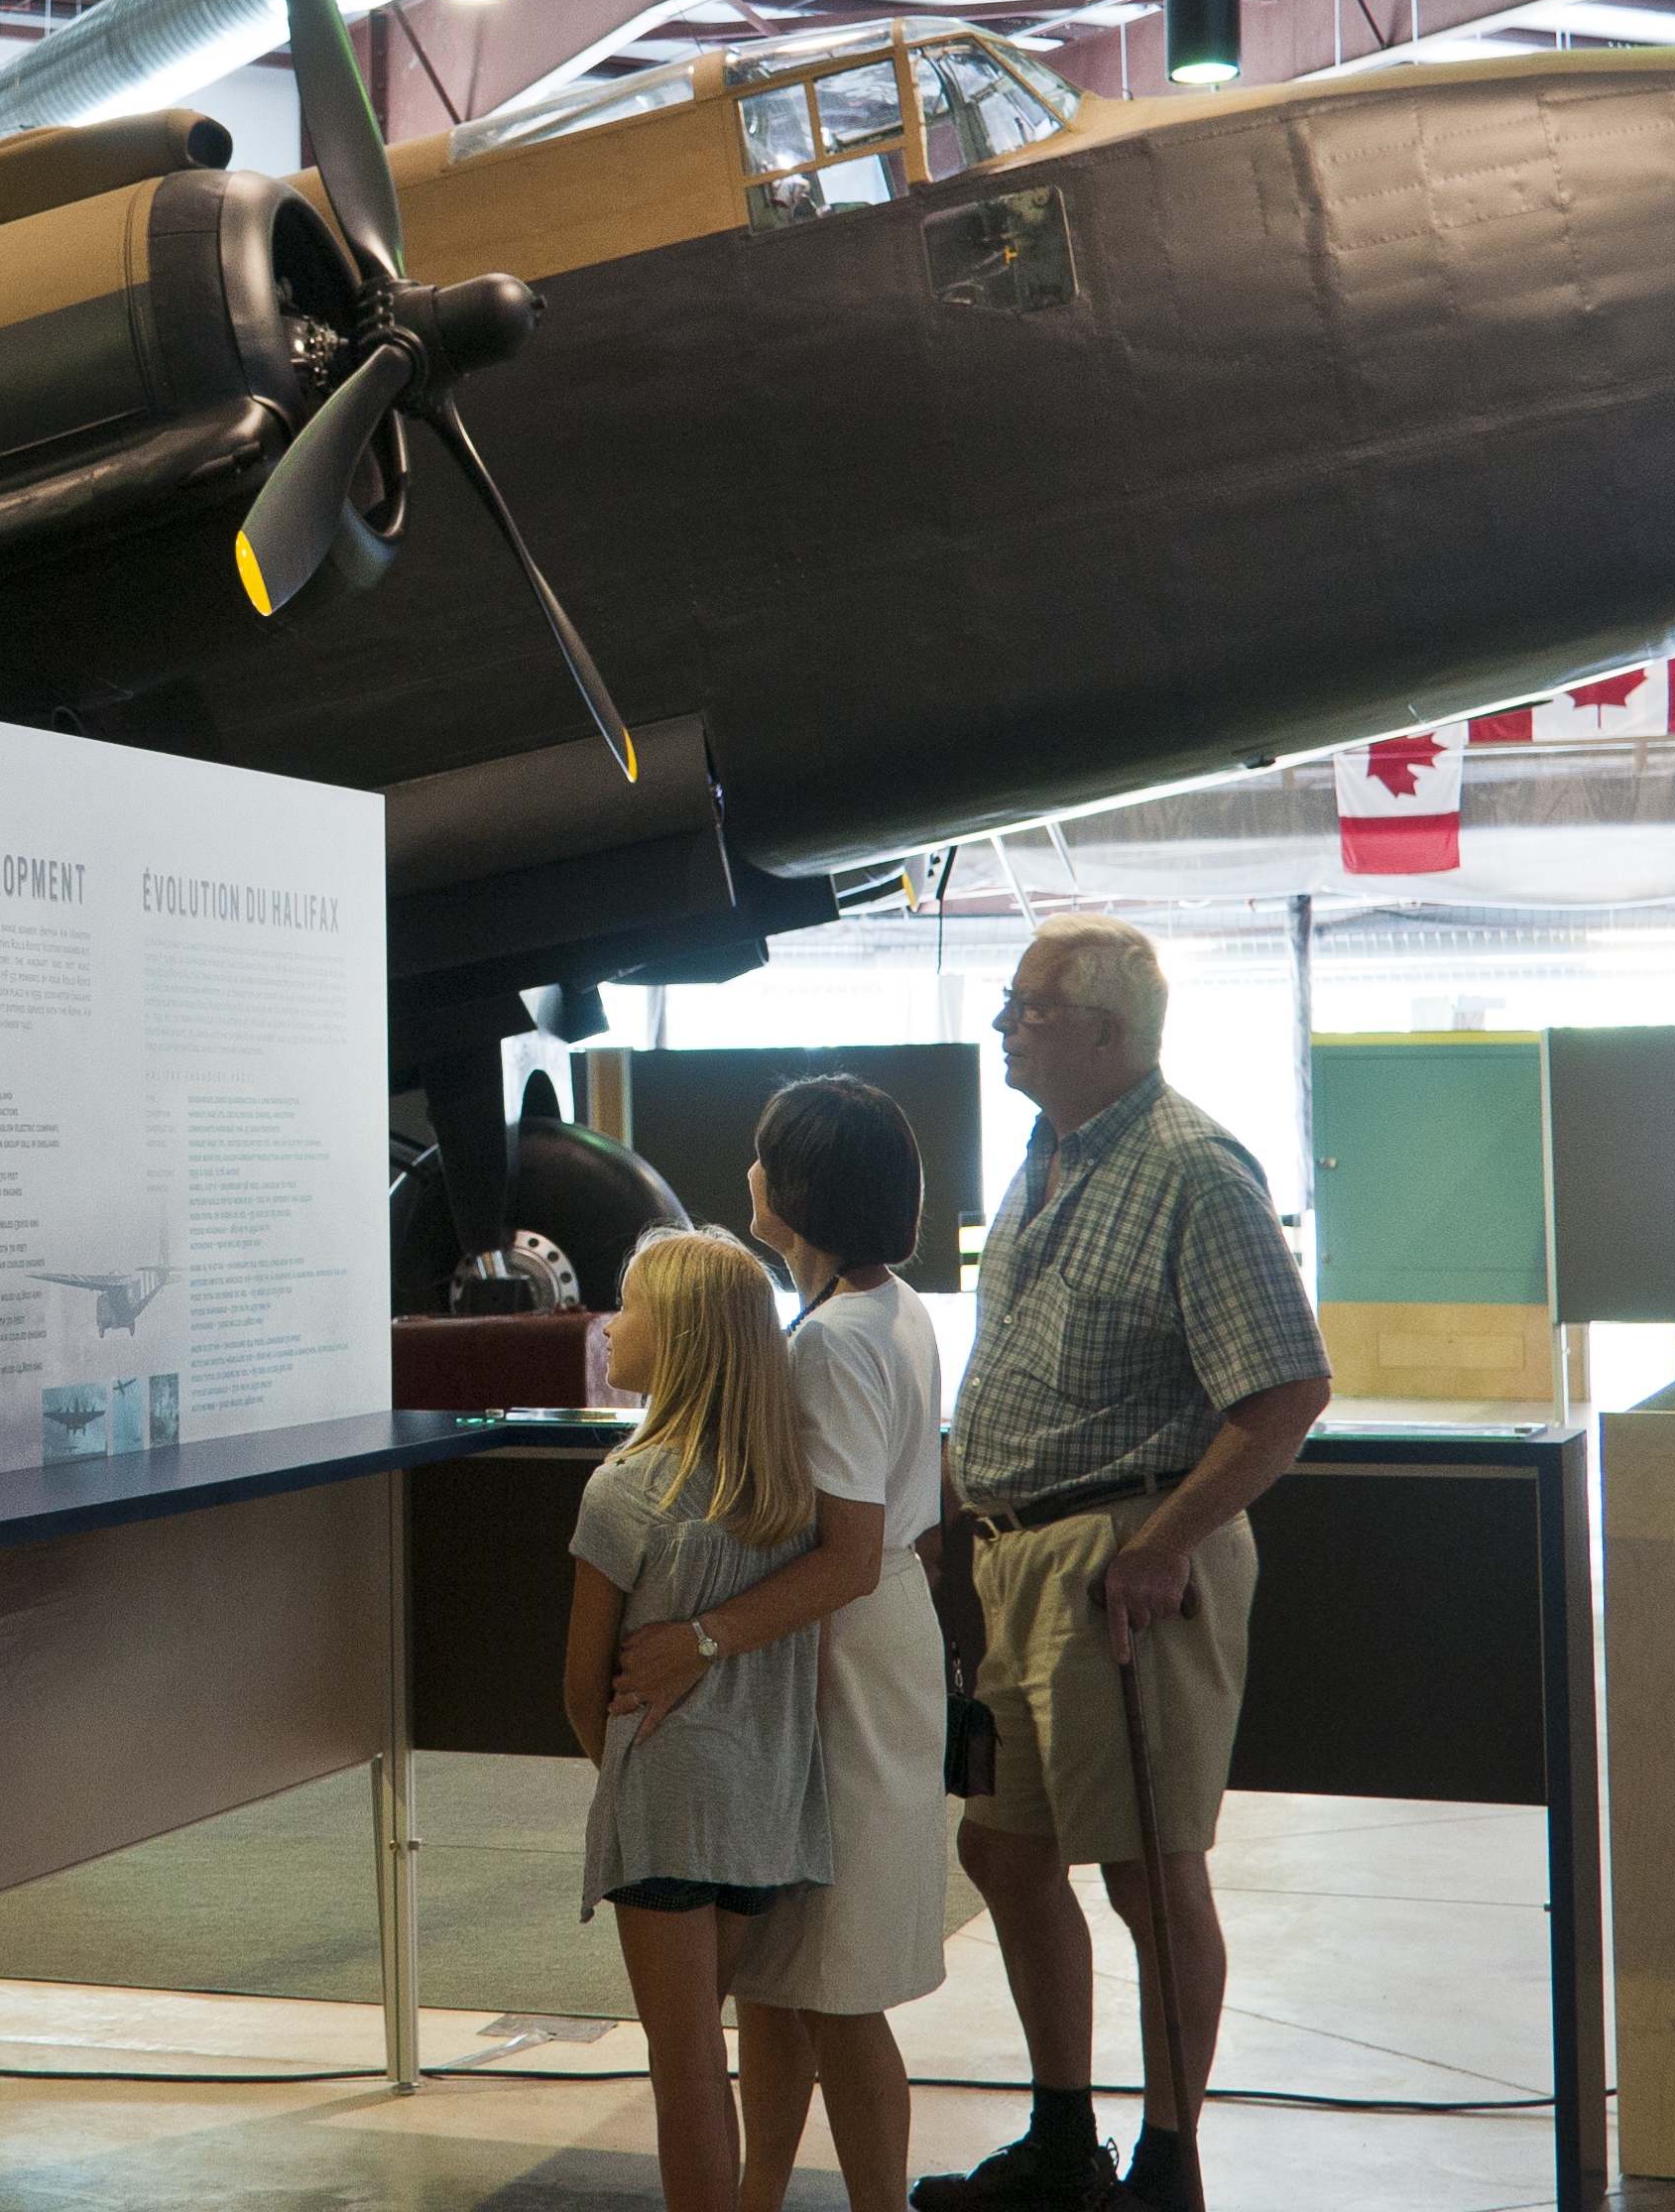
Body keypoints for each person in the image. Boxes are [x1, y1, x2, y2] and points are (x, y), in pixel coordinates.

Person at [921, 916, 1331, 2212]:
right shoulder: (1046, 1157)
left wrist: (1164, 1545)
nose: (1001, 1025)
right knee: (1004, 1852)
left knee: (1151, 1875)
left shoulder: (1192, 1167)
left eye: (1024, 1008)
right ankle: (1061, 2141)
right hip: (1015, 1558)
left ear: (1103, 1030)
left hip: (1119, 1561)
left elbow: (1285, 1393)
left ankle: (1165, 2166)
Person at [610, 1075, 952, 2212]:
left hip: (841, 1648)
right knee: (780, 1966)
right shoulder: (884, 1307)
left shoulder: (835, 1342)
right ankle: (758, 2189)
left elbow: (845, 1554)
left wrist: (699, 1639)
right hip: (861, 1637)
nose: (747, 1170)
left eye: (763, 1155)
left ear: (796, 1187)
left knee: (840, 1983)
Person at [566, 1228, 840, 2212]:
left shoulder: (624, 1489)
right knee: (715, 2040)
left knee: (681, 2066)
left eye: (628, 1306)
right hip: (763, 1804)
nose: (610, 1323)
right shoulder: (795, 1491)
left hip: (668, 1803)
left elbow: (580, 1681)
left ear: (678, 1337)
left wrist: (629, 1776)